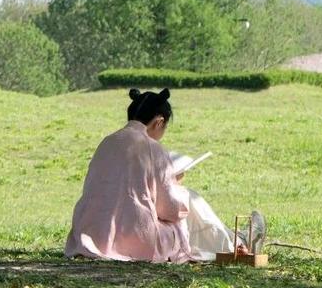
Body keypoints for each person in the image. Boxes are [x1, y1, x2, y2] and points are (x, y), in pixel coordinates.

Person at [64, 88, 263, 263]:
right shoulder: (153, 149)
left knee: (185, 201)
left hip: (89, 233)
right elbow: (171, 210)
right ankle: (236, 243)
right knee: (188, 200)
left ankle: (234, 240)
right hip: (133, 240)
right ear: (159, 122)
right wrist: (175, 186)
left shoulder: (106, 142)